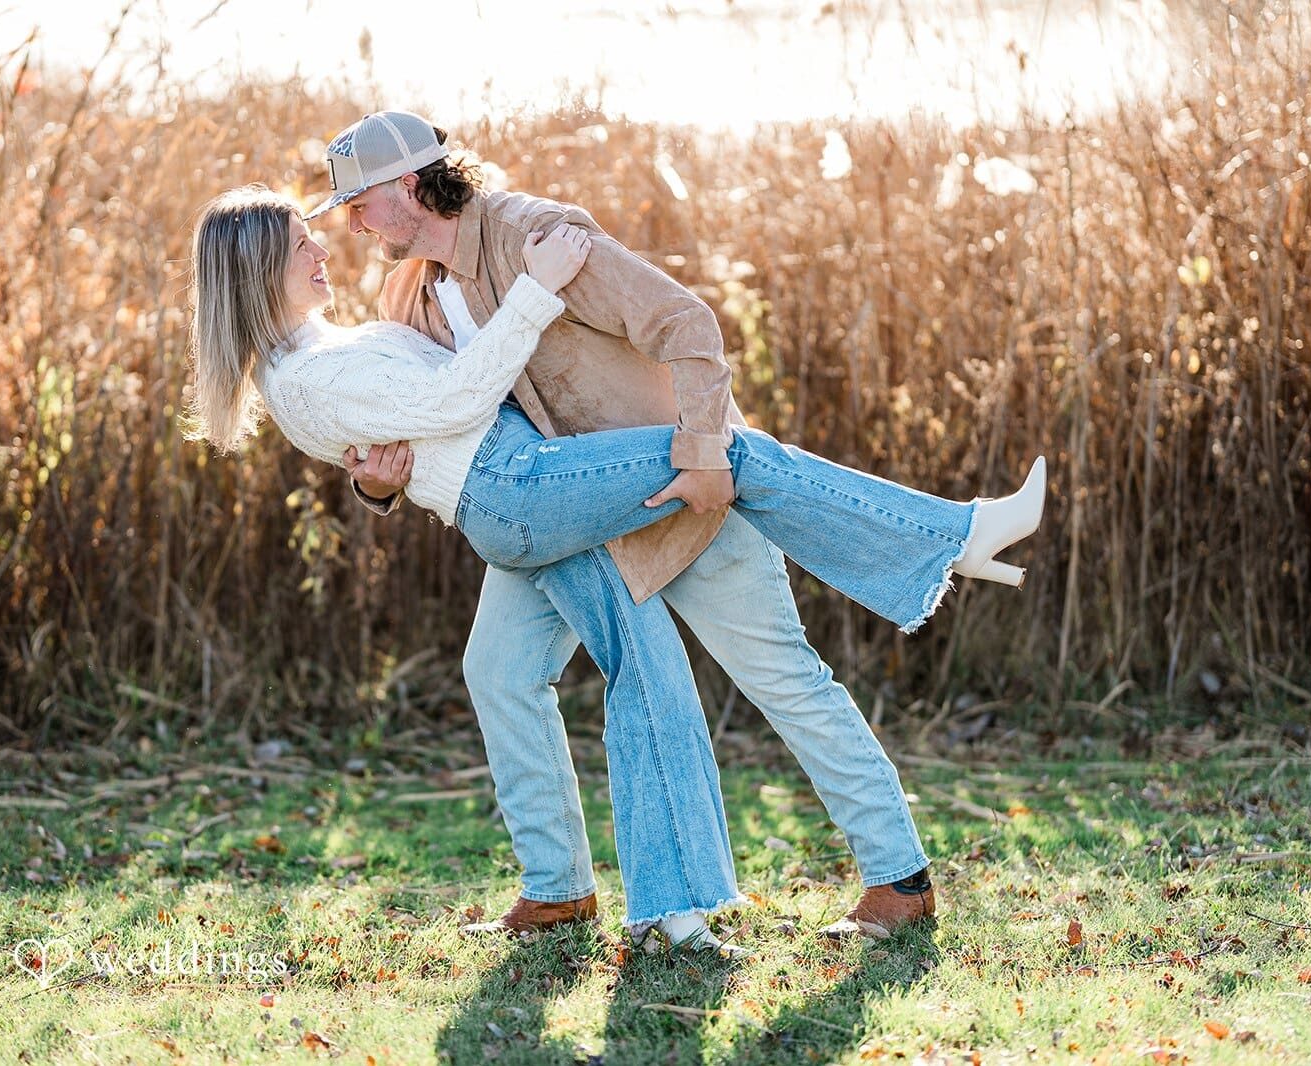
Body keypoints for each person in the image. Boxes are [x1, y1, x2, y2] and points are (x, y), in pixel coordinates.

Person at [186, 179, 1047, 947]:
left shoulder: (533, 233)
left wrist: (704, 452)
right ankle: (562, 890)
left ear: (408, 187)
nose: (345, 231)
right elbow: (430, 411)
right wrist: (379, 483)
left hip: (671, 498)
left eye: (358, 205)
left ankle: (898, 865)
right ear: (260, 271)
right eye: (310, 236)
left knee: (782, 673)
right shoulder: (402, 294)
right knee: (503, 672)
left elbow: (683, 323)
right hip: (550, 504)